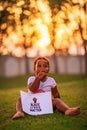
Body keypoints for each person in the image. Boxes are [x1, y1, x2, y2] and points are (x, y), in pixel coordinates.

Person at [12, 56, 80, 119]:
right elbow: (33, 89)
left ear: (48, 69)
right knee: (20, 98)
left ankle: (67, 110)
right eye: (39, 66)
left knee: (57, 101)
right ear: (34, 69)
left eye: (45, 66)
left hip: (45, 105)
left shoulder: (51, 81)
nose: (42, 68)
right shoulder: (31, 79)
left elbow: (56, 94)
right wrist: (38, 78)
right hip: (32, 105)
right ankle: (19, 112)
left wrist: (57, 102)